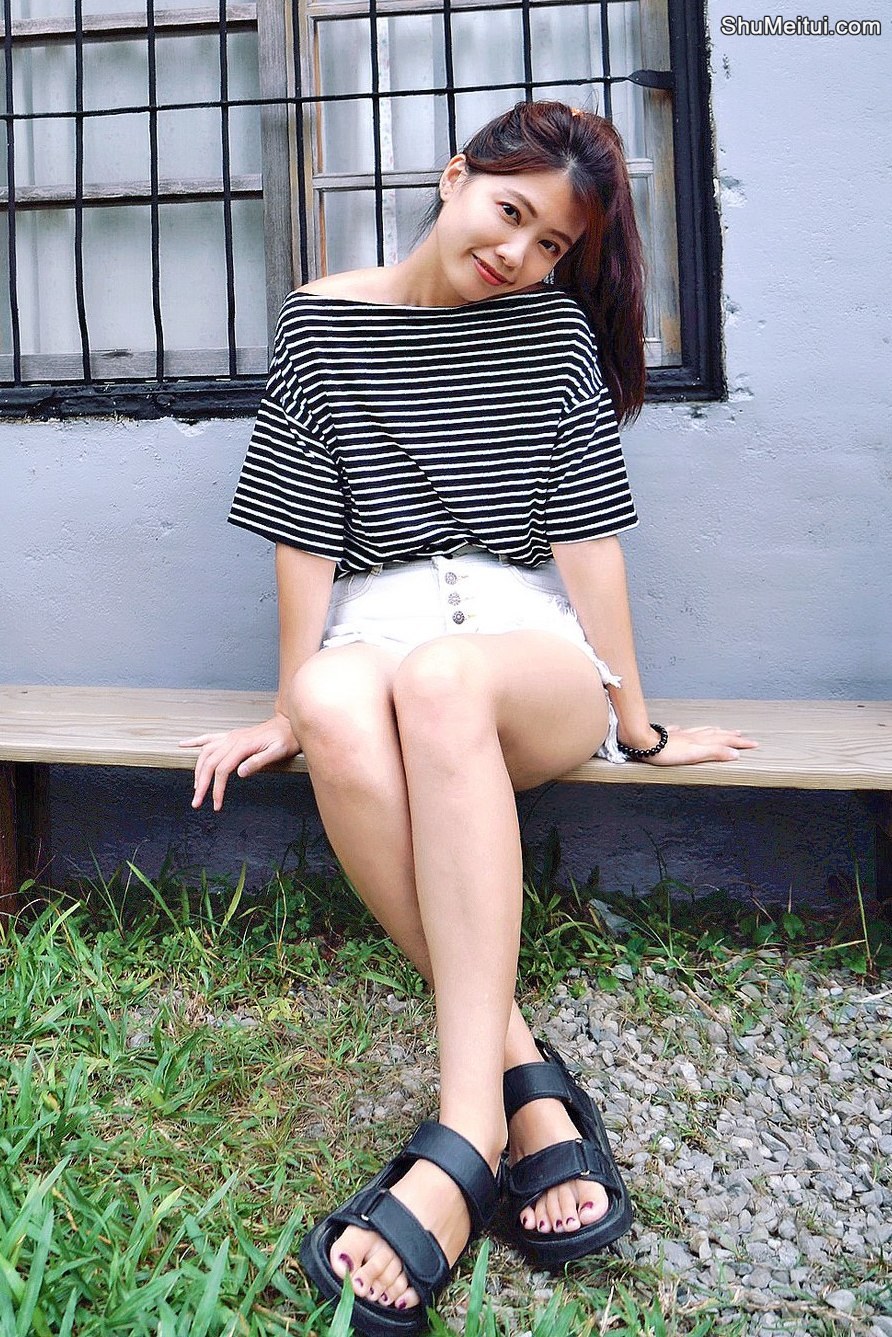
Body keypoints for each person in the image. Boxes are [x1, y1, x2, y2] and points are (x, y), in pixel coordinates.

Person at [182, 100, 757, 1336]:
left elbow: (586, 536)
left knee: (442, 676)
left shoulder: (550, 332)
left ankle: (464, 1130)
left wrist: (639, 721)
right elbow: (302, 528)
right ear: (454, 177)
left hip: (517, 650)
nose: (519, 253)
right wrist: (287, 702)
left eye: (552, 243)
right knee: (334, 696)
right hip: (375, 628)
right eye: (510, 213)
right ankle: (528, 1082)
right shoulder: (319, 323)